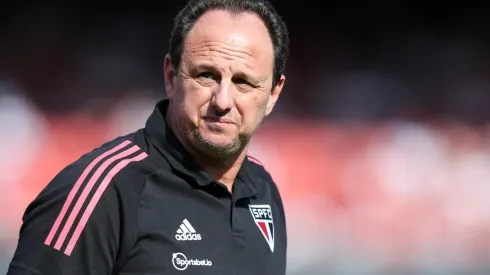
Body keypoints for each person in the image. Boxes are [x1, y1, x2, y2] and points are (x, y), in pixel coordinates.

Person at [6, 0, 290, 274]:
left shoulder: (263, 190)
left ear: (273, 94)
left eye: (243, 82)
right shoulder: (103, 192)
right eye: (206, 75)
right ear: (171, 76)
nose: (223, 100)